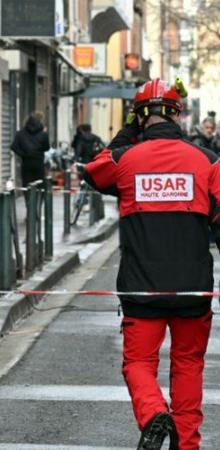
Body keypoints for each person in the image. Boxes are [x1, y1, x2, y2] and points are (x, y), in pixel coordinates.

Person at [85, 78, 218, 450]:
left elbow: (95, 171)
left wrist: (130, 131)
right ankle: (186, 444)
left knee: (138, 364)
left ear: (139, 116)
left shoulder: (126, 160)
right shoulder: (207, 161)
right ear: (177, 114)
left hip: (140, 287)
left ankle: (154, 413)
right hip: (193, 288)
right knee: (189, 366)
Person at [10, 111, 50, 187]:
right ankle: (38, 198)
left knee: (27, 185)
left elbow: (14, 147)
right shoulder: (43, 134)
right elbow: (46, 148)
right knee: (40, 185)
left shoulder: (20, 133)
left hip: (26, 163)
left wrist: (23, 155)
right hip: (39, 162)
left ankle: (28, 198)